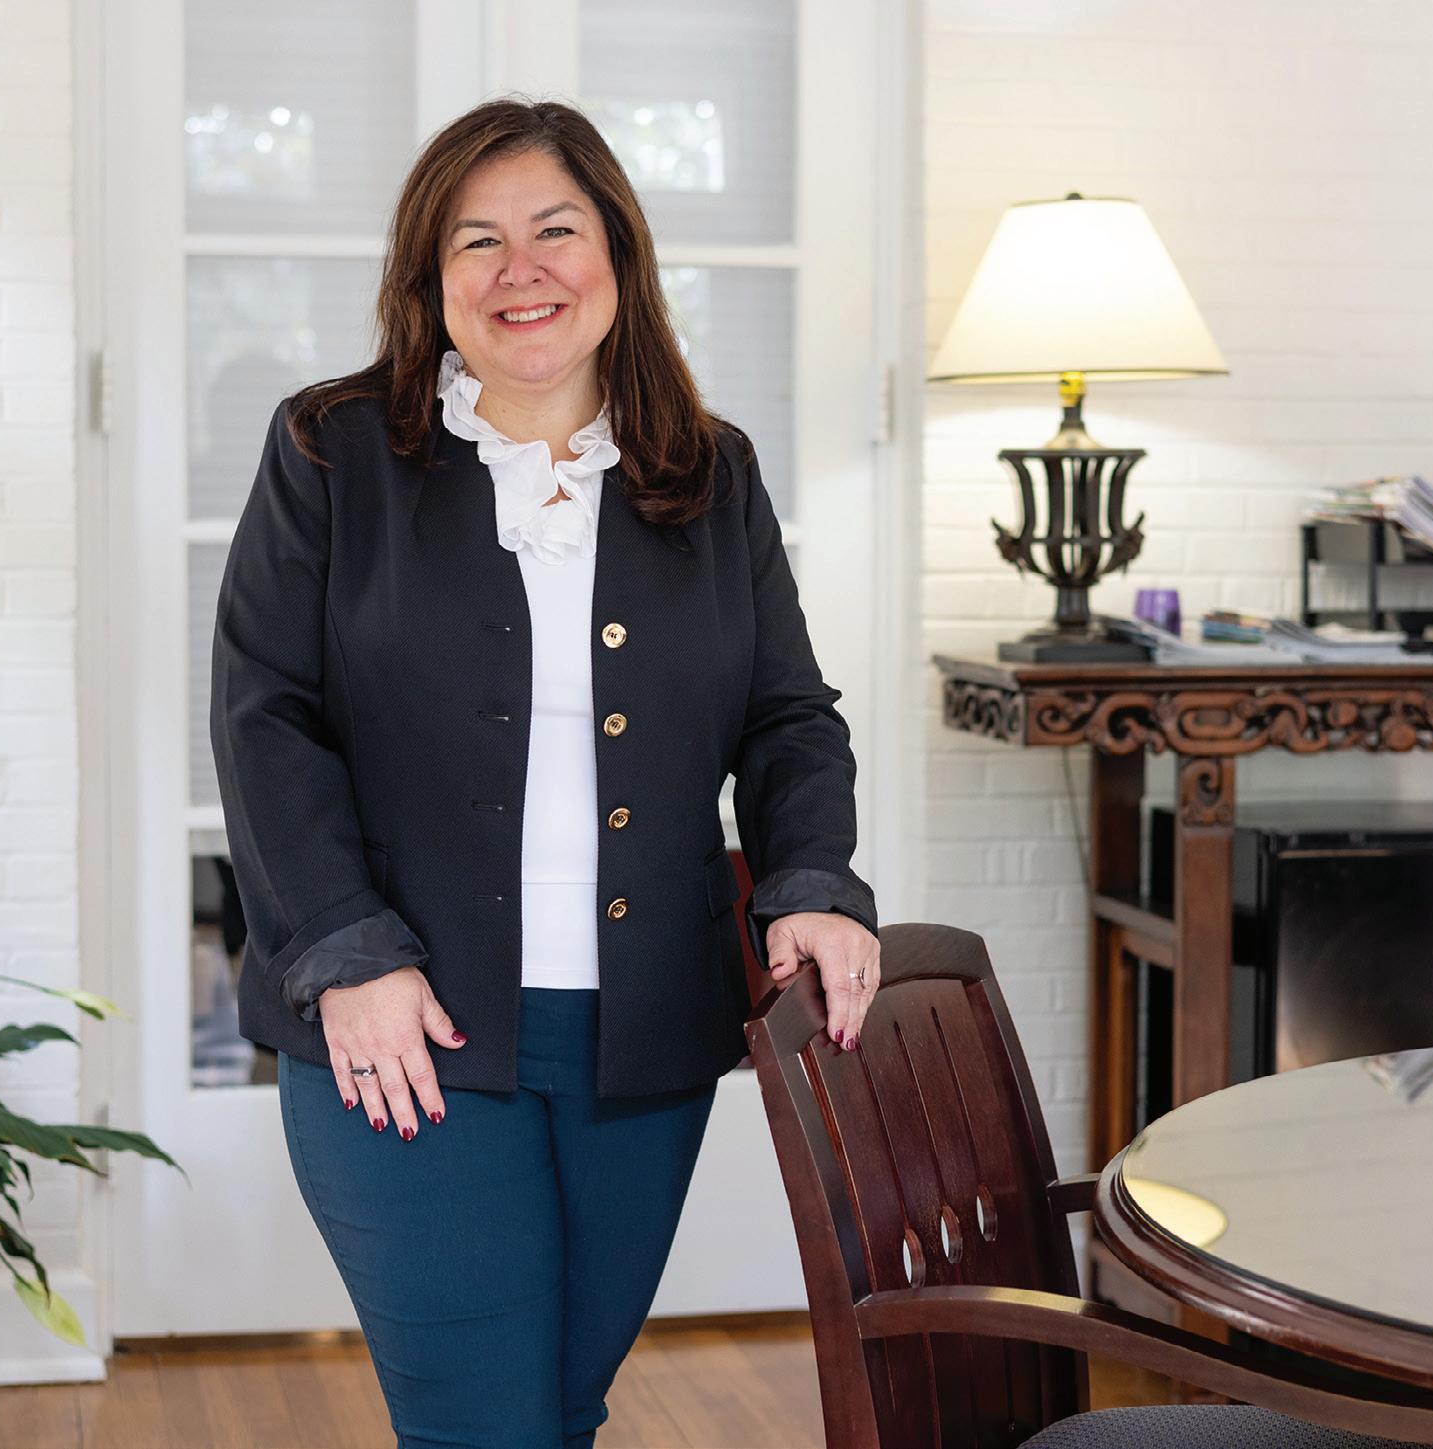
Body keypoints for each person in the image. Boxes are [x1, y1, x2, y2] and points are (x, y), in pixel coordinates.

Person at [209, 96, 880, 1449]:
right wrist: (345, 950)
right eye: (478, 240)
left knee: (561, 1412)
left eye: (556, 231)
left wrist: (812, 878)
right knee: (485, 1427)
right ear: (431, 277)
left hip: (642, 1039)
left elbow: (788, 715)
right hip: (408, 1029)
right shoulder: (331, 451)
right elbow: (263, 717)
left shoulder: (712, 474)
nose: (522, 271)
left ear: (618, 255)